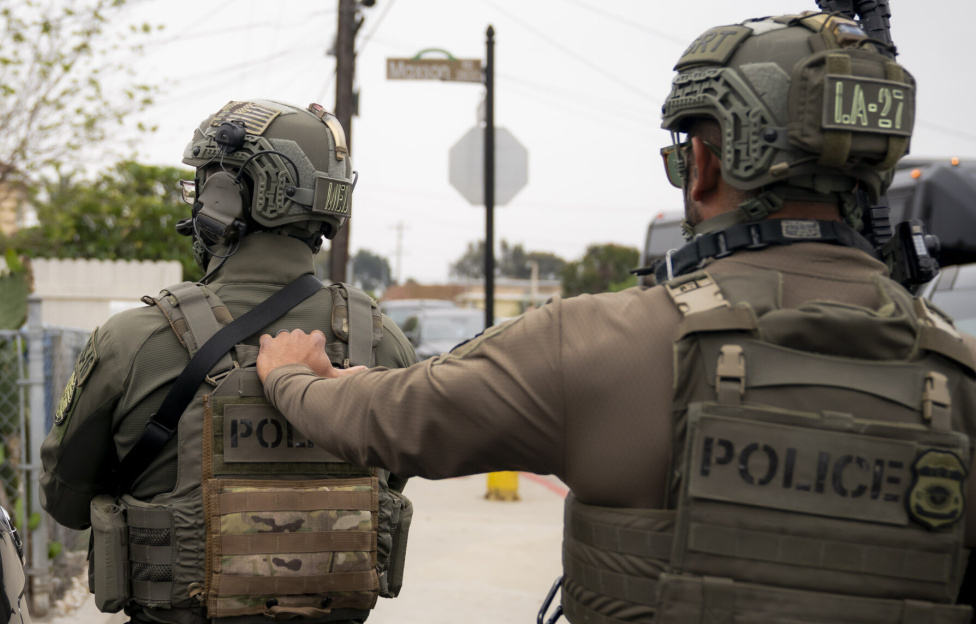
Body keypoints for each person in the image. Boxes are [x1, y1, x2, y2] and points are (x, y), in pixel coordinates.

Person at [257, 14, 976, 624]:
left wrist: (295, 378)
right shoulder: (959, 376)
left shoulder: (602, 344)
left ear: (704, 165)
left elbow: (395, 420)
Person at [40, 99, 417, 624]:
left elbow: (65, 501)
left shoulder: (133, 340)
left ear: (230, 197)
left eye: (205, 184)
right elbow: (387, 488)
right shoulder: (382, 345)